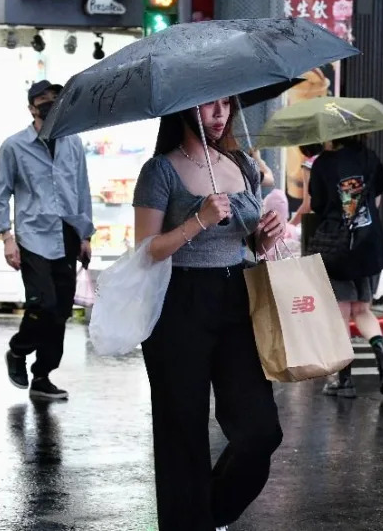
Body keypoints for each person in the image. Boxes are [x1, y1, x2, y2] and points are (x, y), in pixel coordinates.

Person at [133, 96, 285, 531]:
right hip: (178, 303)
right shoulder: (160, 170)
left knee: (260, 430)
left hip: (237, 295)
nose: (219, 115)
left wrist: (265, 238)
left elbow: (249, 245)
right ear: (185, 109)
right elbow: (145, 252)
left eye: (225, 105)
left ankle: (210, 511)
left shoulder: (242, 164)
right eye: (208, 106)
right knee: (182, 433)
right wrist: (197, 220)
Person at [0, 80, 95, 401]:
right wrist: (6, 238)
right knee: (44, 303)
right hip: (32, 235)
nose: (50, 102)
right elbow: (1, 193)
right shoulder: (14, 146)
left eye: (55, 97)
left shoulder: (73, 143)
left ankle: (42, 376)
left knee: (61, 310)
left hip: (67, 233)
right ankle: (17, 350)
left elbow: (81, 189)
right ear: (31, 107)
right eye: (43, 99)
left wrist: (86, 235)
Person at [309, 135, 383, 398]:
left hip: (338, 248)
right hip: (369, 244)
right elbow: (377, 200)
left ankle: (343, 379)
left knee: (340, 314)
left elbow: (318, 206)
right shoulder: (369, 157)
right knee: (362, 309)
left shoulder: (323, 164)